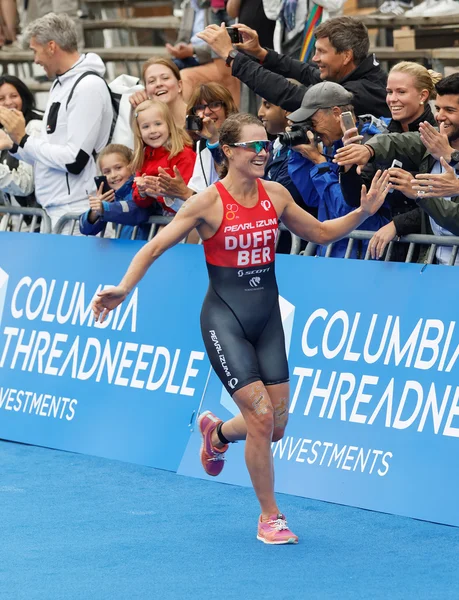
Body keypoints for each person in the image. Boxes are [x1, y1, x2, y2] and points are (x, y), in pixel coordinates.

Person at [92, 112, 391, 545]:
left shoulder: (276, 193)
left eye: (265, 144)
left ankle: (216, 432)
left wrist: (363, 211)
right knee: (262, 417)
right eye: (252, 146)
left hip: (266, 319)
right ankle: (270, 516)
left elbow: (323, 234)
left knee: (276, 426)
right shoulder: (206, 203)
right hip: (224, 319)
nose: (262, 152)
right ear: (229, 152)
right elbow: (155, 247)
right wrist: (122, 287)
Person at [0, 13, 113, 231]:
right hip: (55, 210)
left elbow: (74, 160)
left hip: (79, 211)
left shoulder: (88, 86)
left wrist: (24, 138)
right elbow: (49, 154)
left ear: (51, 46)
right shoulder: (60, 84)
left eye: (35, 50)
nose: (35, 60)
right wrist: (13, 144)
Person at [334, 72, 459, 265]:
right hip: (436, 266)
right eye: (439, 108)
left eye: (449, 110)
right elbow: (398, 141)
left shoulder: (443, 147)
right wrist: (367, 150)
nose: (440, 117)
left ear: (422, 96)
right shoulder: (434, 139)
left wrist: (418, 193)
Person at [197, 17, 390, 118]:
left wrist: (232, 57)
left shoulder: (361, 90)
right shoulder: (356, 75)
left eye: (322, 52)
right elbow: (308, 73)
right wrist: (260, 53)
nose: (315, 58)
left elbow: (291, 95)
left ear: (346, 55)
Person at [286, 82, 389, 257]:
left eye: (313, 121)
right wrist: (300, 151)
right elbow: (314, 198)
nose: (313, 128)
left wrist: (319, 163)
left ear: (336, 113)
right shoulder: (332, 143)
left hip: (363, 257)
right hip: (332, 254)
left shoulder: (370, 147)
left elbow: (348, 209)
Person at [155, 82, 238, 202]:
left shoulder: (241, 135)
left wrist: (214, 139)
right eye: (200, 107)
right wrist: (172, 193)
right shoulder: (202, 144)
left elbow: (232, 184)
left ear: (227, 108)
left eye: (214, 105)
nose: (207, 112)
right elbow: (197, 196)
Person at [131, 99, 196, 215]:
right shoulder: (143, 158)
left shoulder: (183, 154)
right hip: (163, 215)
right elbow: (141, 203)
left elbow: (189, 199)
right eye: (145, 126)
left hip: (185, 215)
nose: (152, 131)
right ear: (139, 132)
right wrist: (142, 192)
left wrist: (160, 193)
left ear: (169, 125)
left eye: (158, 124)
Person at [79, 144, 155, 240]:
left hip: (146, 251)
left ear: (132, 166)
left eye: (118, 168)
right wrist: (95, 212)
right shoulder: (110, 198)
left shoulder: (141, 189)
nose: (113, 175)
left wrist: (105, 207)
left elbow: (137, 210)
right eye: (107, 172)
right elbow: (85, 229)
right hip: (123, 252)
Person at [0, 75, 42, 216]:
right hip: (15, 223)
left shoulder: (35, 127)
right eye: (1, 99)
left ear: (23, 97)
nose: (8, 102)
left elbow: (26, 185)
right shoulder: (3, 130)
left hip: (38, 223)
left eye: (14, 96)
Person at [129, 57, 188, 127]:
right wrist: (135, 109)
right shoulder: (151, 129)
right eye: (152, 81)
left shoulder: (199, 115)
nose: (159, 84)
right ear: (146, 91)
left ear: (179, 85)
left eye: (165, 78)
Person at [166, 0, 213, 70]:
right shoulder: (189, 4)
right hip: (189, 55)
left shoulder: (217, 6)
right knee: (165, 67)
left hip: (207, 57)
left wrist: (193, 50)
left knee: (172, 70)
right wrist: (179, 47)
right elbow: (182, 38)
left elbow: (220, 43)